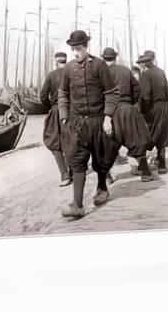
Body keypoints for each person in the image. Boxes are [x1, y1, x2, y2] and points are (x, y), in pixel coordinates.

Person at [58, 30, 119, 218]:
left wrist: (108, 117)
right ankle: (77, 204)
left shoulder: (99, 66)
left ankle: (102, 188)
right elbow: (63, 95)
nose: (76, 52)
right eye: (73, 49)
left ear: (86, 47)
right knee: (77, 161)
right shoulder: (68, 69)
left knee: (100, 158)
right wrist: (64, 118)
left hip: (98, 121)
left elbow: (111, 93)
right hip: (76, 124)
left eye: (79, 48)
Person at [101, 48, 156, 181]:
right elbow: (137, 89)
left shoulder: (101, 72)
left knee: (109, 146)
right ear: (115, 57)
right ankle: (146, 173)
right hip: (127, 109)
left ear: (103, 58)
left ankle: (106, 177)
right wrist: (130, 103)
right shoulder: (125, 70)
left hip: (109, 112)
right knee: (136, 141)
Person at [137, 50, 168, 174]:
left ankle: (143, 166)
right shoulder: (161, 72)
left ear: (145, 62)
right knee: (162, 134)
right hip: (164, 107)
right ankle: (162, 164)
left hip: (153, 107)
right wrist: (163, 104)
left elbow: (145, 96)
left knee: (147, 134)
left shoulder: (146, 75)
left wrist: (143, 112)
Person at [40, 52, 71, 186]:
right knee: (71, 142)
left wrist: (51, 107)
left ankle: (64, 175)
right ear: (66, 60)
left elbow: (43, 96)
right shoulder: (72, 73)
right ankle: (73, 172)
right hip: (72, 111)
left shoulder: (51, 75)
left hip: (56, 110)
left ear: (56, 61)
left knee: (55, 143)